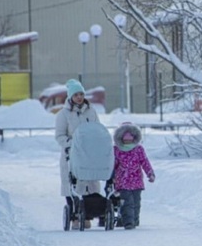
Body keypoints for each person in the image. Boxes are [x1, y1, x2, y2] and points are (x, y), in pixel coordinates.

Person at [55, 79, 100, 229]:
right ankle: (74, 214)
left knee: (90, 183)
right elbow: (60, 136)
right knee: (72, 183)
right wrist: (72, 143)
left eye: (81, 94)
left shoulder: (91, 111)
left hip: (89, 154)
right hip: (71, 154)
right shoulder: (63, 114)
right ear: (70, 97)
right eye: (76, 95)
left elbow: (97, 129)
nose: (79, 97)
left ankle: (88, 214)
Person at [111, 122, 155, 230]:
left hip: (136, 182)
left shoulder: (138, 149)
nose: (127, 140)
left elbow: (145, 162)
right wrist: (111, 178)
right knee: (127, 202)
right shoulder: (116, 150)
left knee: (136, 203)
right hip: (122, 181)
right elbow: (112, 165)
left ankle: (134, 220)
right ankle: (128, 222)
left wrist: (150, 173)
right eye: (125, 138)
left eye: (130, 138)